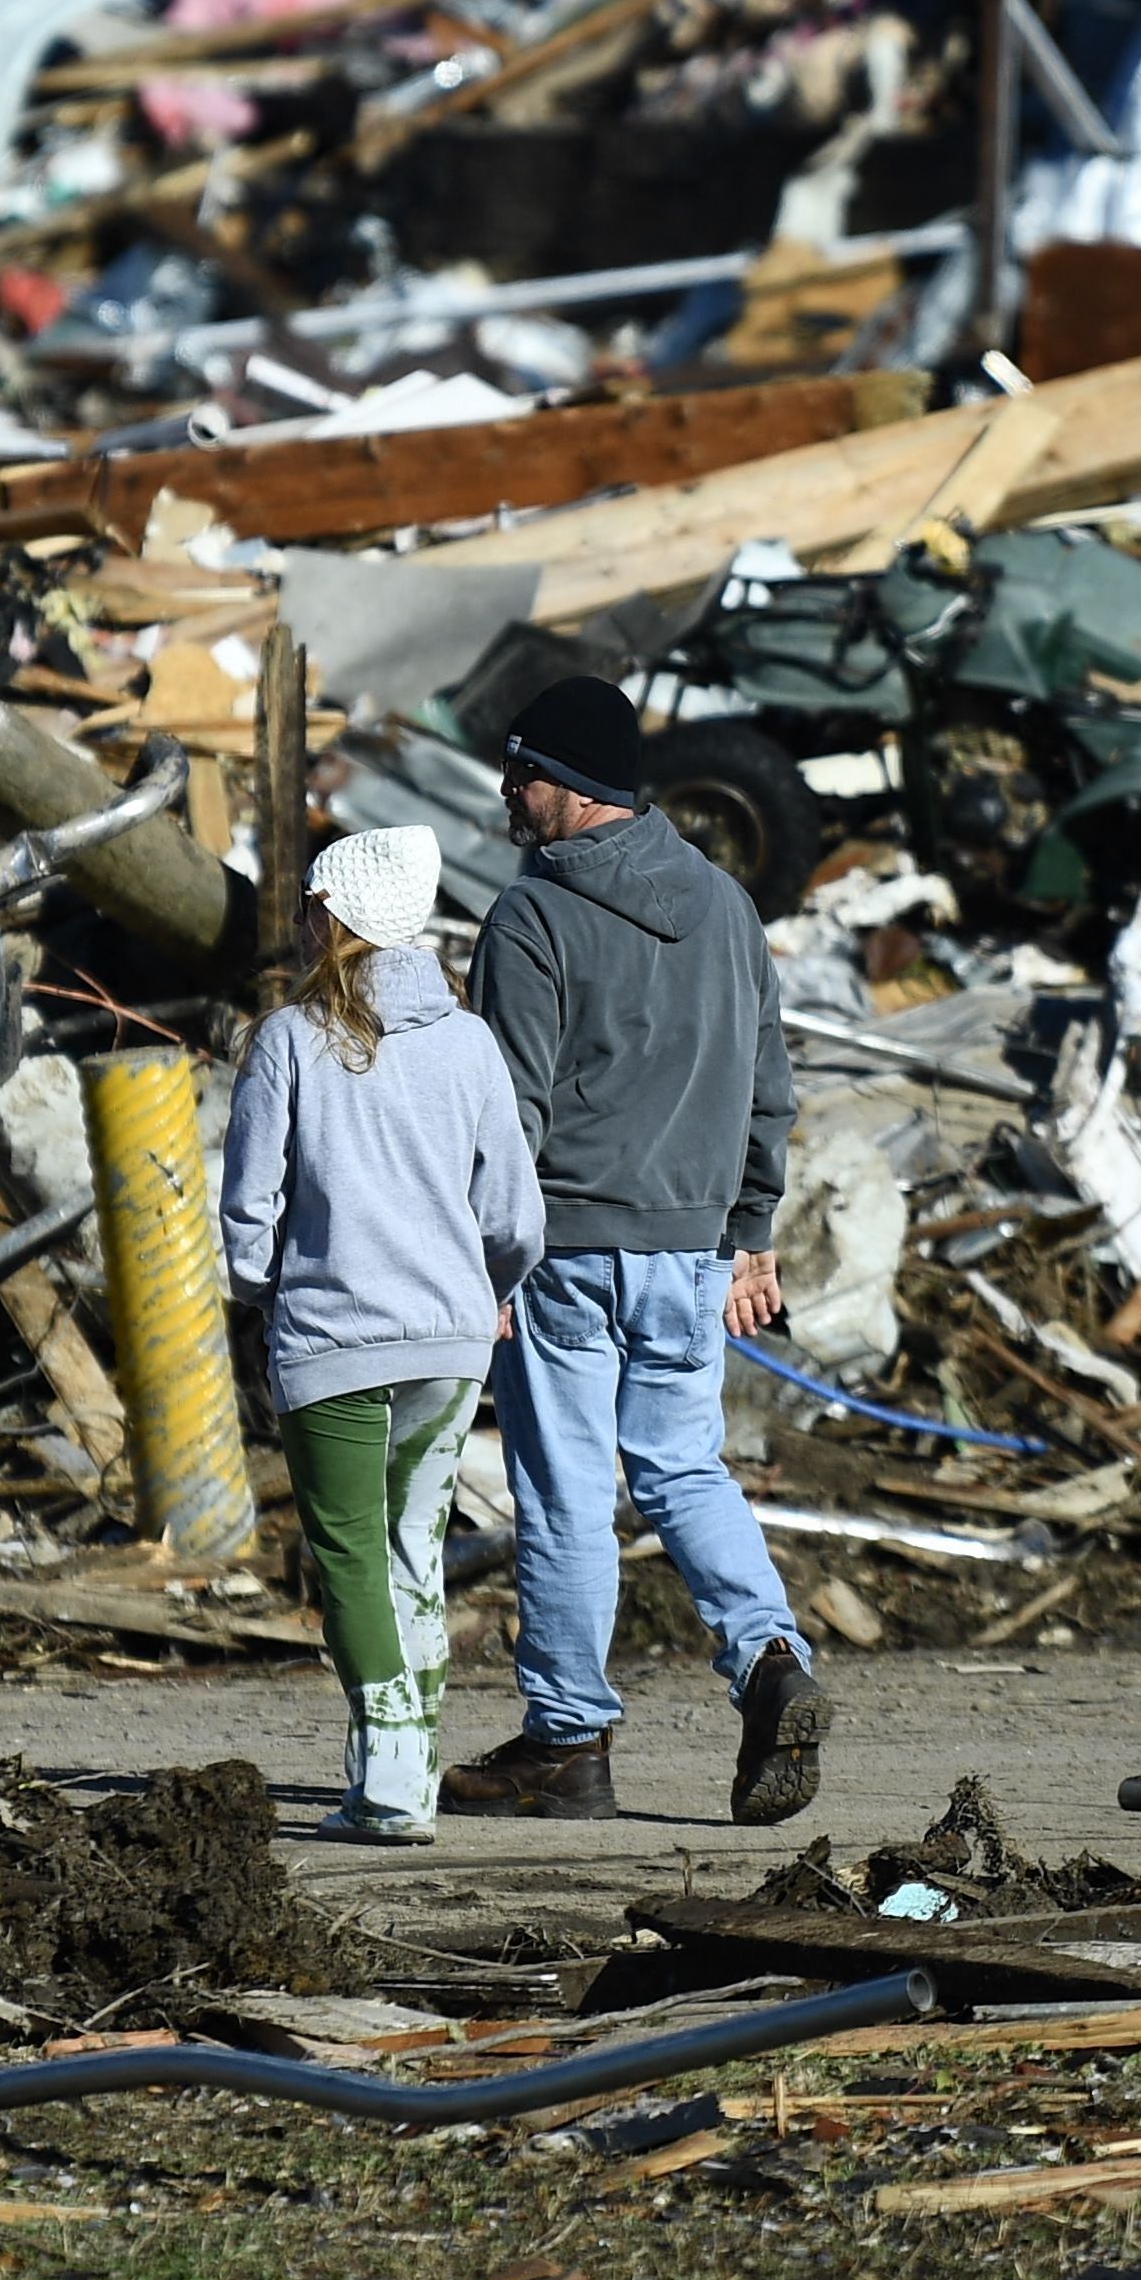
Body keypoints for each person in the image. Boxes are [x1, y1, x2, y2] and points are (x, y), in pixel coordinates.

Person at [444, 673, 828, 1827]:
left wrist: (489, 1257)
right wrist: (748, 1236)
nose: (509, 795)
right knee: (681, 1468)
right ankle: (766, 1659)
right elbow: (770, 1085)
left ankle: (567, 1742)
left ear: (569, 788)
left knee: (564, 1495)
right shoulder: (721, 900)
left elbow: (505, 1109)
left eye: (521, 775)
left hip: (565, 1246)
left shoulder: (533, 915)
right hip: (689, 1252)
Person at [219, 824, 544, 1843]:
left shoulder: (289, 1042)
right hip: (451, 1340)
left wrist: (270, 1289)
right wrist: (484, 1287)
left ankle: (398, 1781)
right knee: (412, 1549)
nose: (307, 918)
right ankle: (398, 1768)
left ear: (340, 917)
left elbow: (246, 1218)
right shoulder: (470, 1043)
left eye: (317, 903)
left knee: (352, 1557)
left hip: (333, 1341)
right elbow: (515, 1217)